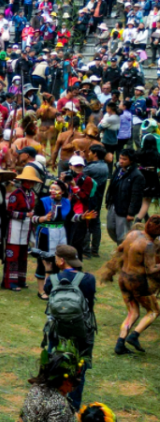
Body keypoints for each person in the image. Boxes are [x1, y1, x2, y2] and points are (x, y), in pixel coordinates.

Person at [41, 245, 96, 408]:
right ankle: (73, 407)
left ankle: (52, 406)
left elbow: (46, 293)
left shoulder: (52, 280)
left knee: (55, 366)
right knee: (79, 369)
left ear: (61, 261)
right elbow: (90, 306)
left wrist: (49, 270)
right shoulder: (88, 279)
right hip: (81, 332)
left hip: (57, 332)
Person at [99, 214, 160, 355]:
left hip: (123, 278)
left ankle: (120, 344)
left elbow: (120, 248)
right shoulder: (149, 245)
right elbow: (151, 270)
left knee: (133, 312)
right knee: (154, 311)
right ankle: (134, 335)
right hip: (137, 281)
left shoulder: (134, 234)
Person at [105, 149, 144, 245]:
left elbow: (136, 196)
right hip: (113, 204)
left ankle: (123, 252)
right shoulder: (118, 170)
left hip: (124, 208)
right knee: (110, 227)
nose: (121, 161)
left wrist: (131, 213)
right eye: (120, 158)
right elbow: (111, 187)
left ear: (131, 161)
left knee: (122, 234)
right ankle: (121, 246)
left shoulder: (137, 176)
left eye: (124, 159)